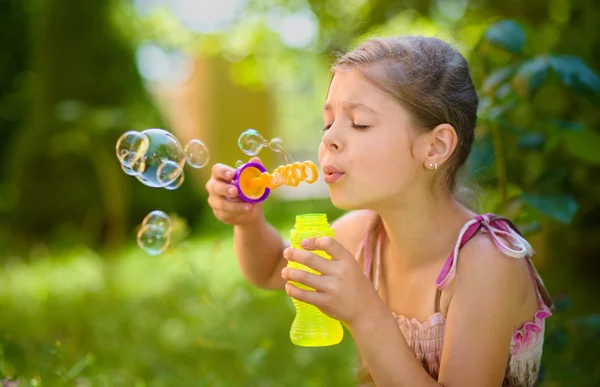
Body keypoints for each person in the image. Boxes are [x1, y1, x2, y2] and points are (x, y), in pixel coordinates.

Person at [205, 35, 554, 386]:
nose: (329, 139)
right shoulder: (363, 234)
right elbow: (269, 269)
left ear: (435, 146)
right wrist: (248, 223)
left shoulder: (486, 262)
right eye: (328, 123)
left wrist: (365, 313)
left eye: (359, 123)